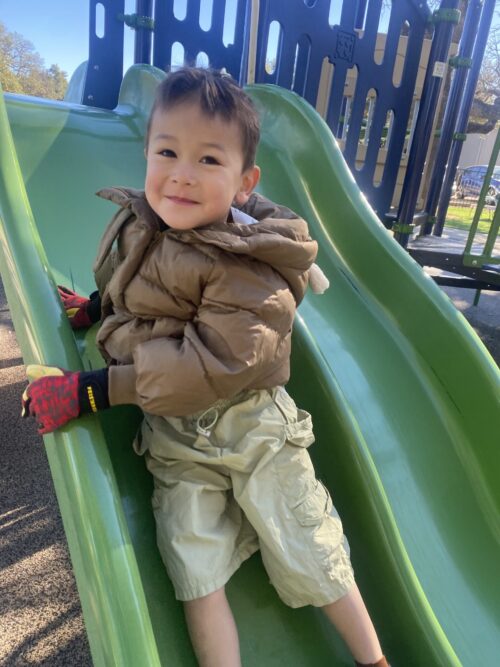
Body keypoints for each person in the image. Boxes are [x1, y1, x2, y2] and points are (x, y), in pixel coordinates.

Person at [22, 67, 389, 667]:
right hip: (175, 439)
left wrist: (96, 391)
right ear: (146, 154)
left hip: (254, 429)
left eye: (209, 160)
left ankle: (373, 659)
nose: (182, 174)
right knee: (194, 571)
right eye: (167, 152)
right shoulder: (143, 222)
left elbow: (209, 365)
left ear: (244, 183)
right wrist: (93, 308)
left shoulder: (253, 266)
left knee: (311, 547)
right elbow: (130, 287)